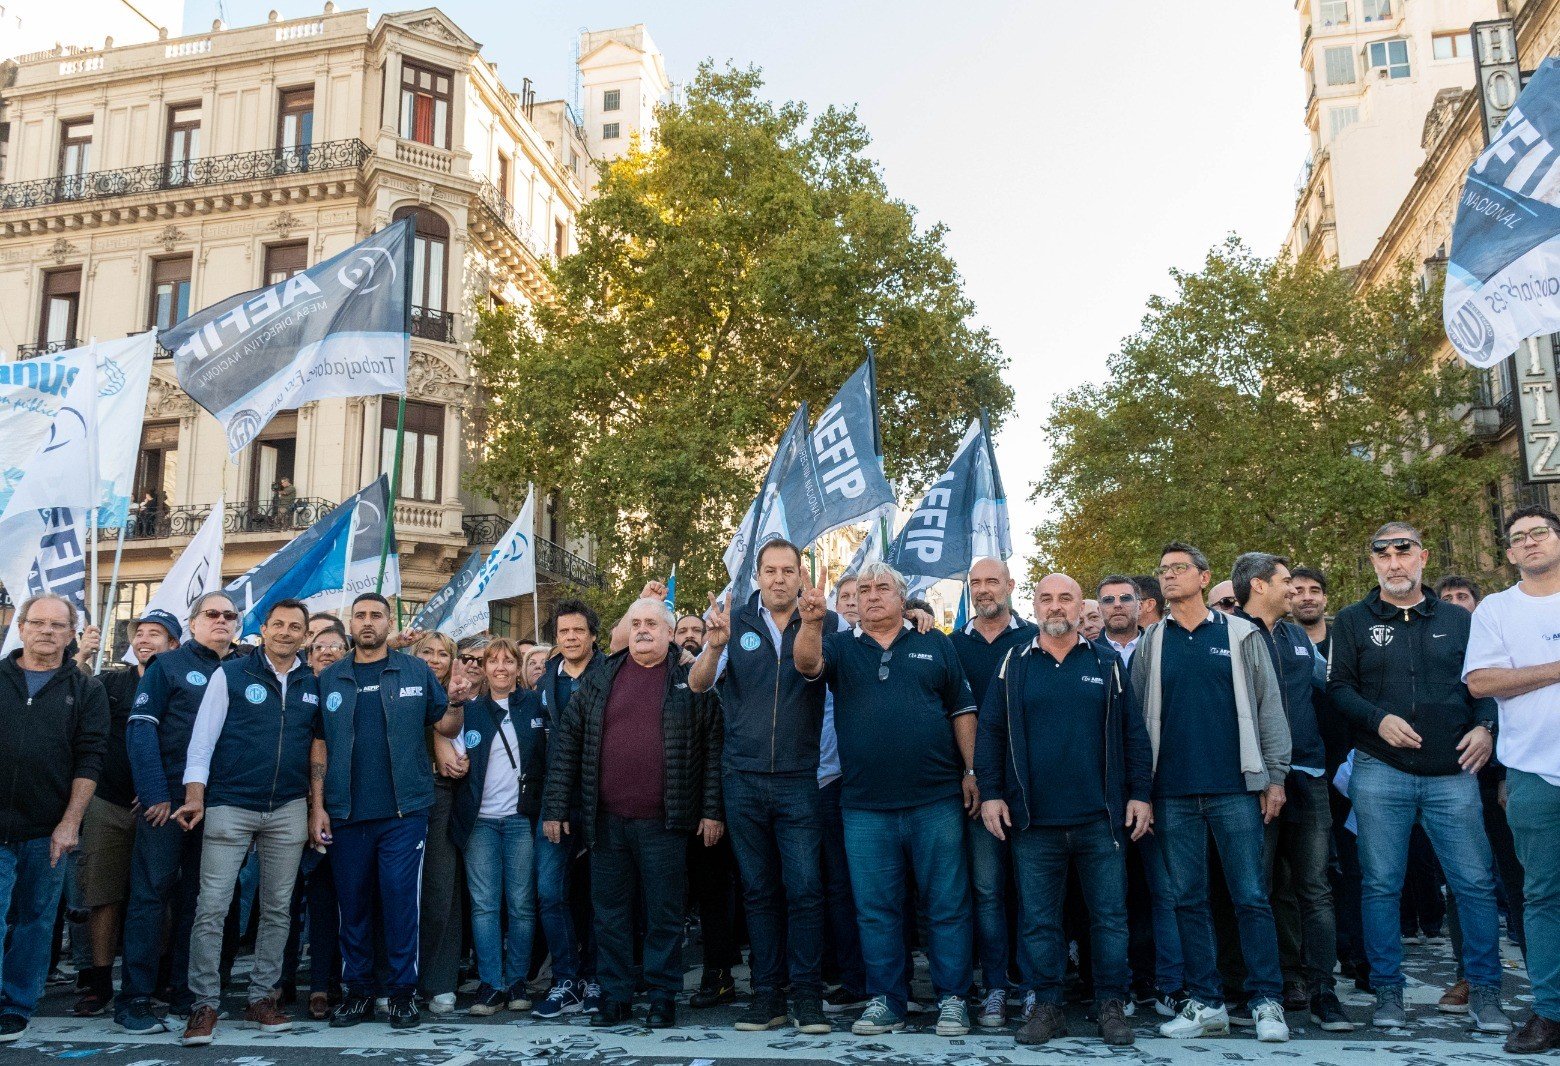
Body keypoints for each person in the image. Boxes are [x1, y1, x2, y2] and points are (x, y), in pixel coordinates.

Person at [1327, 521, 1509, 1034]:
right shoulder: (1352, 621)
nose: (1394, 562)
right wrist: (1377, 719)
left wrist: (1487, 728)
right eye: (1382, 554)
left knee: (1472, 884)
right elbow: (1338, 688)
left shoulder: (1460, 619)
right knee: (1381, 886)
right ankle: (1388, 995)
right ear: (1374, 563)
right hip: (1379, 769)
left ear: (1422, 557)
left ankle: (1486, 994)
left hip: (1453, 772)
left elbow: (1486, 683)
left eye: (1403, 552)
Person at [794, 561, 977, 1039]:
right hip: (864, 806)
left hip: (935, 799)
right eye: (864, 590)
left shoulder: (935, 643)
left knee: (946, 904)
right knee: (876, 908)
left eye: (882, 589)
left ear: (903, 598)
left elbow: (962, 708)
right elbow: (806, 664)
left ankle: (953, 999)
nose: (872, 596)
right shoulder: (838, 646)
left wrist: (973, 771)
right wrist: (812, 621)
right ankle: (885, 1001)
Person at [976, 574, 1151, 1046]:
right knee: (1038, 921)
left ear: (1080, 607)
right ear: (1033, 606)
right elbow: (990, 732)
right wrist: (991, 792)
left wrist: (1140, 794)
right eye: (1046, 598)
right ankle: (1047, 1006)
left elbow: (1134, 734)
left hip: (1101, 820)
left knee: (1110, 918)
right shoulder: (1014, 663)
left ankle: (1111, 1005)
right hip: (1033, 822)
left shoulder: (1106, 661)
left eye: (1065, 598)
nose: (1056, 606)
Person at [1129, 542, 1291, 1042]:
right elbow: (1136, 722)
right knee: (1188, 900)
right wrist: (1141, 791)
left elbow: (1269, 708)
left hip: (1235, 789)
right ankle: (1206, 1003)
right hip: (1172, 794)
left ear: (1204, 577)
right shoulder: (1151, 641)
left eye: (1179, 569)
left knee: (1250, 897)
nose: (1169, 576)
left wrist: (1276, 776)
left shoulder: (1242, 634)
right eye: (1163, 571)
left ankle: (1267, 1003)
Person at [542, 598, 724, 1030]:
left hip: (666, 822)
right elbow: (568, 742)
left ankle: (662, 996)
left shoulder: (690, 680)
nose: (643, 630)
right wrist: (555, 805)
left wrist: (712, 811)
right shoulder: (602, 675)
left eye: (653, 624)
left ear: (670, 632)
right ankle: (616, 995)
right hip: (605, 821)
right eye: (636, 622)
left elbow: (713, 748)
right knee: (610, 914)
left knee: (663, 915)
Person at [690, 539, 833, 1035]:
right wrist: (714, 645)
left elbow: (809, 667)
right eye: (770, 571)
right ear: (757, 575)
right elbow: (699, 684)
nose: (778, 579)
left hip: (798, 780)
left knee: (806, 891)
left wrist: (812, 624)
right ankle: (766, 997)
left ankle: (809, 998)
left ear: (799, 576)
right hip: (743, 779)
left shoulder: (821, 620)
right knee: (758, 892)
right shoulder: (736, 623)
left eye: (787, 571)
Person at [312, 593, 464, 1030]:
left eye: (376, 615)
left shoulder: (415, 670)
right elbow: (318, 744)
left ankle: (401, 994)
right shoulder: (331, 678)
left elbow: (445, 726)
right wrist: (318, 806)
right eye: (359, 615)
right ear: (350, 623)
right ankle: (358, 992)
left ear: (389, 622)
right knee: (353, 907)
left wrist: (455, 702)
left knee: (401, 903)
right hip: (345, 813)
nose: (367, 622)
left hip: (405, 812)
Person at [174, 599, 318, 1045]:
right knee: (212, 906)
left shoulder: (312, 682)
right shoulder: (231, 674)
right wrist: (195, 796)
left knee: (278, 909)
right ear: (264, 629)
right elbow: (202, 741)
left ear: (305, 634)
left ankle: (262, 997)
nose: (286, 632)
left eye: (295, 627)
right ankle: (204, 1004)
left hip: (288, 807)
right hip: (230, 804)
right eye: (278, 625)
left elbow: (318, 751)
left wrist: (315, 807)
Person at [1230, 553, 1351, 1031]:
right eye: (1285, 582)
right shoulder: (1230, 635)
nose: (1295, 590)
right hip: (1252, 782)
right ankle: (1264, 985)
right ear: (1259, 586)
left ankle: (1322, 990)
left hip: (1310, 775)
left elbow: (1331, 686)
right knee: (1256, 887)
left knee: (1315, 888)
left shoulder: (1298, 636)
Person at [115, 592, 238, 1034]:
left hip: (221, 803)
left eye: (229, 615)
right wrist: (152, 794)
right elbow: (141, 729)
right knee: (151, 896)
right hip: (166, 801)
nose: (221, 620)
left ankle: (187, 993)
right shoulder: (167, 666)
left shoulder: (242, 668)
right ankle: (134, 998)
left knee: (202, 903)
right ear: (193, 622)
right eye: (212, 614)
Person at [1463, 505, 1560, 1054]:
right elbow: (1481, 681)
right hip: (1534, 771)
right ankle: (1550, 1012)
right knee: (1543, 895)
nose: (1529, 543)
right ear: (1508, 554)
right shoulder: (1497, 609)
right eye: (1517, 538)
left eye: (1539, 533)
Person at [0, 594, 109, 1041]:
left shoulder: (86, 689)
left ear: (71, 634)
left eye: (57, 625)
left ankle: (15, 1006)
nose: (47, 631)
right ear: (21, 628)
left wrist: (69, 823)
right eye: (38, 622)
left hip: (47, 830)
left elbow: (91, 760)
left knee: (34, 921)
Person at [73, 609, 178, 1017]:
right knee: (104, 895)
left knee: (158, 896)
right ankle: (99, 982)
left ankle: (156, 978)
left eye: (156, 634)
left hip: (161, 806)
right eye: (139, 633)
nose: (144, 639)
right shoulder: (111, 682)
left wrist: (154, 790)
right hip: (109, 803)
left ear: (174, 644)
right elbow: (77, 703)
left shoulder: (179, 681)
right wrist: (82, 655)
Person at [948, 557, 1038, 1029]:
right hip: (976, 788)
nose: (983, 590)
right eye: (976, 582)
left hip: (1028, 788)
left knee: (1031, 892)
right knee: (985, 891)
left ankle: (1030, 986)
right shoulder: (951, 645)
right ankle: (996, 987)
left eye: (991, 581)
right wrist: (971, 771)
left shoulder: (1033, 641)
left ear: (1010, 585)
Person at [451, 639, 545, 1016]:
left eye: (509, 661)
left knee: (521, 904)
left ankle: (518, 979)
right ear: (485, 668)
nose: (501, 668)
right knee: (484, 905)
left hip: (521, 820)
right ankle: (491, 984)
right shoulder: (468, 711)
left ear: (518, 668)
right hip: (480, 823)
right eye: (494, 661)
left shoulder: (536, 706)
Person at [530, 599, 605, 1020]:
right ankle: (566, 979)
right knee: (549, 893)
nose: (571, 638)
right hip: (553, 806)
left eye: (578, 631)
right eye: (563, 632)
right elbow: (538, 755)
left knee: (600, 896)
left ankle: (596, 977)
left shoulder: (609, 677)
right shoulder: (544, 685)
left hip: (600, 805)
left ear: (593, 635)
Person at [281, 620, 350, 1020]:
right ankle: (281, 980)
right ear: (309, 654)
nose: (326, 651)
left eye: (335, 646)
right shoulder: (297, 687)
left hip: (337, 808)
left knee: (327, 900)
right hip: (287, 804)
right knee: (281, 901)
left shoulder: (351, 687)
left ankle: (323, 984)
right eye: (319, 646)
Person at [413, 631, 472, 1016]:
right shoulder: (397, 683)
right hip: (396, 797)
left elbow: (454, 733)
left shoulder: (461, 694)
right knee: (399, 892)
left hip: (440, 795)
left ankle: (439, 982)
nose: (434, 659)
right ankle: (397, 978)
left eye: (442, 654)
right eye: (427, 652)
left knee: (440, 890)